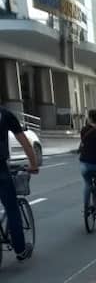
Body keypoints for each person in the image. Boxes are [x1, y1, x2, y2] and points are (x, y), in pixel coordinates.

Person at [0, 105, 39, 261]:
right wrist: (33, 165)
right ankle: (20, 250)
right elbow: (25, 142)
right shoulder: (5, 114)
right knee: (12, 208)